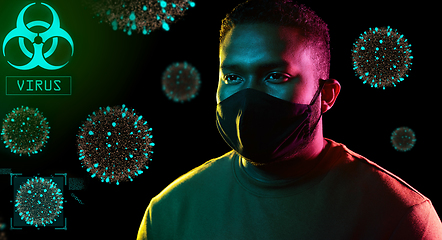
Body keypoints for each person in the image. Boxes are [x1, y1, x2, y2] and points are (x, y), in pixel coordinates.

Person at [137, 0, 442, 239]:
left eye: (275, 76)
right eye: (232, 76)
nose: (247, 97)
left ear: (326, 95)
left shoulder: (399, 216)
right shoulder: (170, 211)